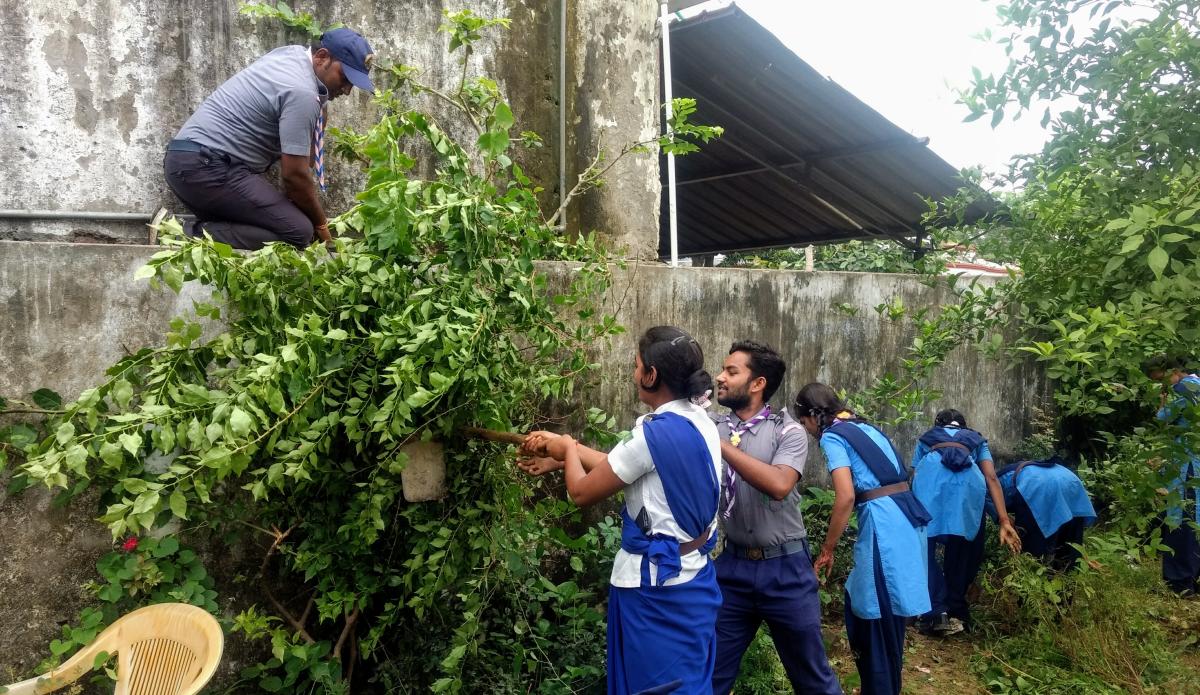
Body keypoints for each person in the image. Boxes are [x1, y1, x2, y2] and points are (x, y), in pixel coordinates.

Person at [518, 326, 722, 694]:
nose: (633, 373)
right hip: (694, 578)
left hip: (655, 588)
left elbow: (581, 492)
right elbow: (625, 466)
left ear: (651, 375)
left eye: (636, 365)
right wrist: (564, 457)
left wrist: (567, 444)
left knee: (658, 686)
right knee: (686, 681)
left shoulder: (652, 433)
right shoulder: (699, 421)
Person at [162, 28, 375, 250]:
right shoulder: (302, 92)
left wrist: (320, 110)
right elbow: (294, 176)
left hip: (192, 163)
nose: (348, 90)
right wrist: (322, 227)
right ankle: (176, 232)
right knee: (299, 232)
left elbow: (304, 160)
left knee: (285, 225)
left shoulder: (291, 56)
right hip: (204, 167)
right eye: (345, 77)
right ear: (322, 57)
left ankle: (196, 230)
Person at [709, 341, 841, 695]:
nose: (720, 377)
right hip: (732, 568)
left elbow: (780, 484)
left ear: (758, 383)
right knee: (709, 674)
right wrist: (569, 455)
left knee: (813, 679)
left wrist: (720, 446)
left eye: (731, 371)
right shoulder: (713, 426)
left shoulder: (789, 431)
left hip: (786, 571)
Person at [794, 383, 930, 695]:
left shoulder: (832, 436)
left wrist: (827, 548)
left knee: (875, 622)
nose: (807, 431)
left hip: (885, 527)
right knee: (882, 614)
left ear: (812, 417)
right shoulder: (864, 425)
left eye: (803, 423)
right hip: (907, 519)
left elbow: (844, 497)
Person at [911, 409, 1021, 636]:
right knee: (963, 549)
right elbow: (990, 477)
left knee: (924, 550)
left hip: (930, 488)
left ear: (938, 424)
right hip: (968, 490)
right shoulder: (977, 439)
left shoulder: (927, 438)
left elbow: (913, 474)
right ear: (964, 426)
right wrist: (1003, 519)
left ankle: (936, 611)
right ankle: (957, 610)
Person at [1143, 354, 1200, 595]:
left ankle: (1180, 582)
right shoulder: (1197, 384)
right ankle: (1193, 580)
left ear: (1170, 371)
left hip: (1186, 465)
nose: (1162, 385)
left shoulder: (1182, 389)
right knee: (1195, 519)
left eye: (1161, 380)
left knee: (1180, 520)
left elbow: (1162, 419)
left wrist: (1162, 404)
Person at [990, 455, 1096, 572]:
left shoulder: (996, 481)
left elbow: (987, 499)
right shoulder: (1022, 468)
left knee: (1031, 547)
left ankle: (1031, 574)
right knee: (1070, 545)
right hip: (1070, 480)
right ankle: (1069, 577)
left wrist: (1000, 518)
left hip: (1039, 485)